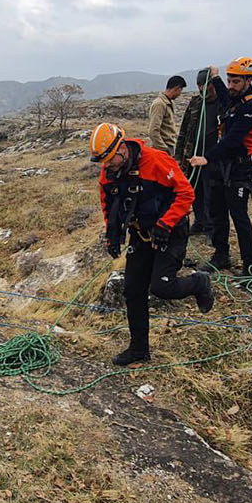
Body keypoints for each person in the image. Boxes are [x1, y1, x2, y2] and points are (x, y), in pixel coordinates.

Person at [92, 122, 214, 366]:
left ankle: (199, 282)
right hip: (141, 233)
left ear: (122, 149)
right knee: (133, 290)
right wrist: (112, 233)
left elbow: (186, 194)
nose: (107, 165)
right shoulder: (110, 173)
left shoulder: (157, 161)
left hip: (170, 231)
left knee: (162, 287)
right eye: (103, 161)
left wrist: (165, 224)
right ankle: (139, 349)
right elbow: (109, 202)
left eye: (110, 159)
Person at [189, 57, 252, 278]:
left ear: (248, 80)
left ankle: (251, 266)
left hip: (240, 169)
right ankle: (221, 255)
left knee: (239, 216)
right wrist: (216, 77)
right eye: (229, 81)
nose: (231, 86)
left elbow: (233, 140)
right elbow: (223, 95)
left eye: (236, 82)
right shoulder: (232, 98)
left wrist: (207, 158)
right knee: (217, 211)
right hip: (221, 167)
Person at [175, 67, 228, 233]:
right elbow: (184, 129)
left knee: (211, 192)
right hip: (193, 156)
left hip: (213, 157)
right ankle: (200, 221)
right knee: (194, 189)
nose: (201, 89)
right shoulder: (195, 102)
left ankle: (212, 225)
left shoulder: (223, 103)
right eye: (198, 85)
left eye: (204, 85)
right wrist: (178, 155)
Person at [147, 75, 186, 152]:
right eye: (180, 91)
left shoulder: (169, 103)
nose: (180, 94)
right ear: (176, 88)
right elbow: (153, 130)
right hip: (163, 148)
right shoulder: (159, 104)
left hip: (169, 146)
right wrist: (164, 149)